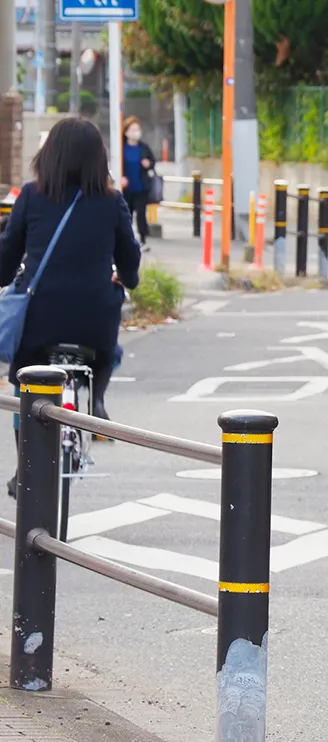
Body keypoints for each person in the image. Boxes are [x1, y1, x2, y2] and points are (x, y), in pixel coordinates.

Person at [0, 116, 141, 497]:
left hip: (40, 316)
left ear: (50, 155)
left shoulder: (30, 196)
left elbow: (7, 256)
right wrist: (126, 280)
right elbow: (129, 257)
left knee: (24, 381)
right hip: (92, 319)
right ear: (99, 159)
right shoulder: (112, 202)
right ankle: (96, 399)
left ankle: (25, 469)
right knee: (107, 352)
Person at [120, 116, 155, 249]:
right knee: (126, 215)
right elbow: (117, 165)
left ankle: (143, 239)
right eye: (132, 129)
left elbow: (152, 163)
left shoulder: (144, 147)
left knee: (141, 213)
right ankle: (127, 240)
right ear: (126, 131)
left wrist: (148, 164)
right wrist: (121, 177)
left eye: (137, 129)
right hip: (126, 188)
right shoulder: (121, 148)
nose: (136, 132)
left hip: (141, 187)